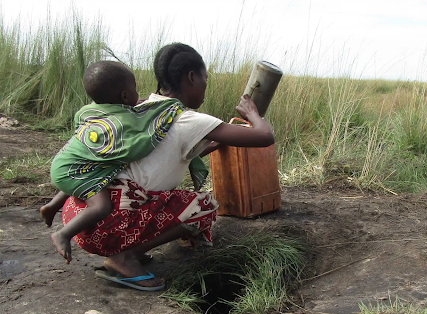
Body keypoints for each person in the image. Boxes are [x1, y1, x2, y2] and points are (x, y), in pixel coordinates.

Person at [60, 42, 275, 291]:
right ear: (192, 78)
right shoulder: (187, 120)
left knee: (144, 193)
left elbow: (170, 152)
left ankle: (129, 250)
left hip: (79, 219)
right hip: (108, 228)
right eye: (205, 79)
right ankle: (124, 258)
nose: (206, 86)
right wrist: (252, 113)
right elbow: (264, 137)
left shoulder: (138, 108)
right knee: (203, 206)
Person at [41, 60, 189, 265]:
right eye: (134, 89)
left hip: (67, 164)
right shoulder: (119, 123)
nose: (138, 94)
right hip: (78, 171)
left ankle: (52, 206)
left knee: (90, 176)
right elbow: (136, 140)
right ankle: (64, 234)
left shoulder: (92, 111)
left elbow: (129, 109)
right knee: (101, 205)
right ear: (124, 96)